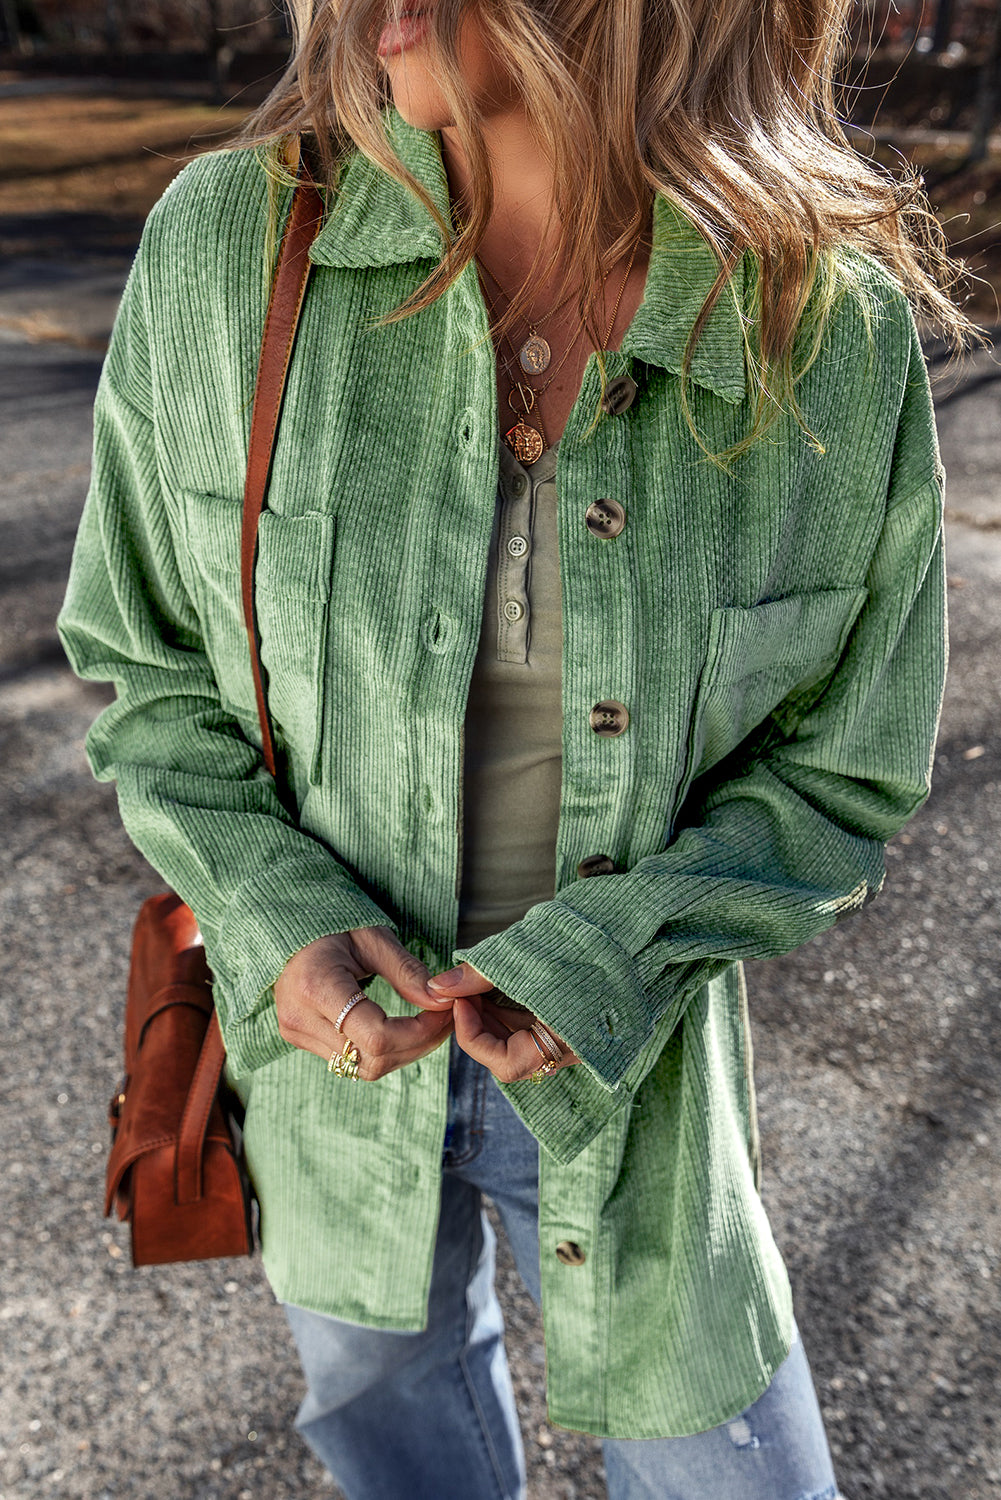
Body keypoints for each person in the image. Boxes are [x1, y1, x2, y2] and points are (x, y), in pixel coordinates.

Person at [58, 2, 974, 1496]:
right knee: (382, 1404)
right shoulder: (234, 245)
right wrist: (284, 920)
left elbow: (843, 773)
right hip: (328, 1066)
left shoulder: (823, 327)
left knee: (735, 1464)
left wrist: (610, 951)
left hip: (636, 1077)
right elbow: (148, 672)